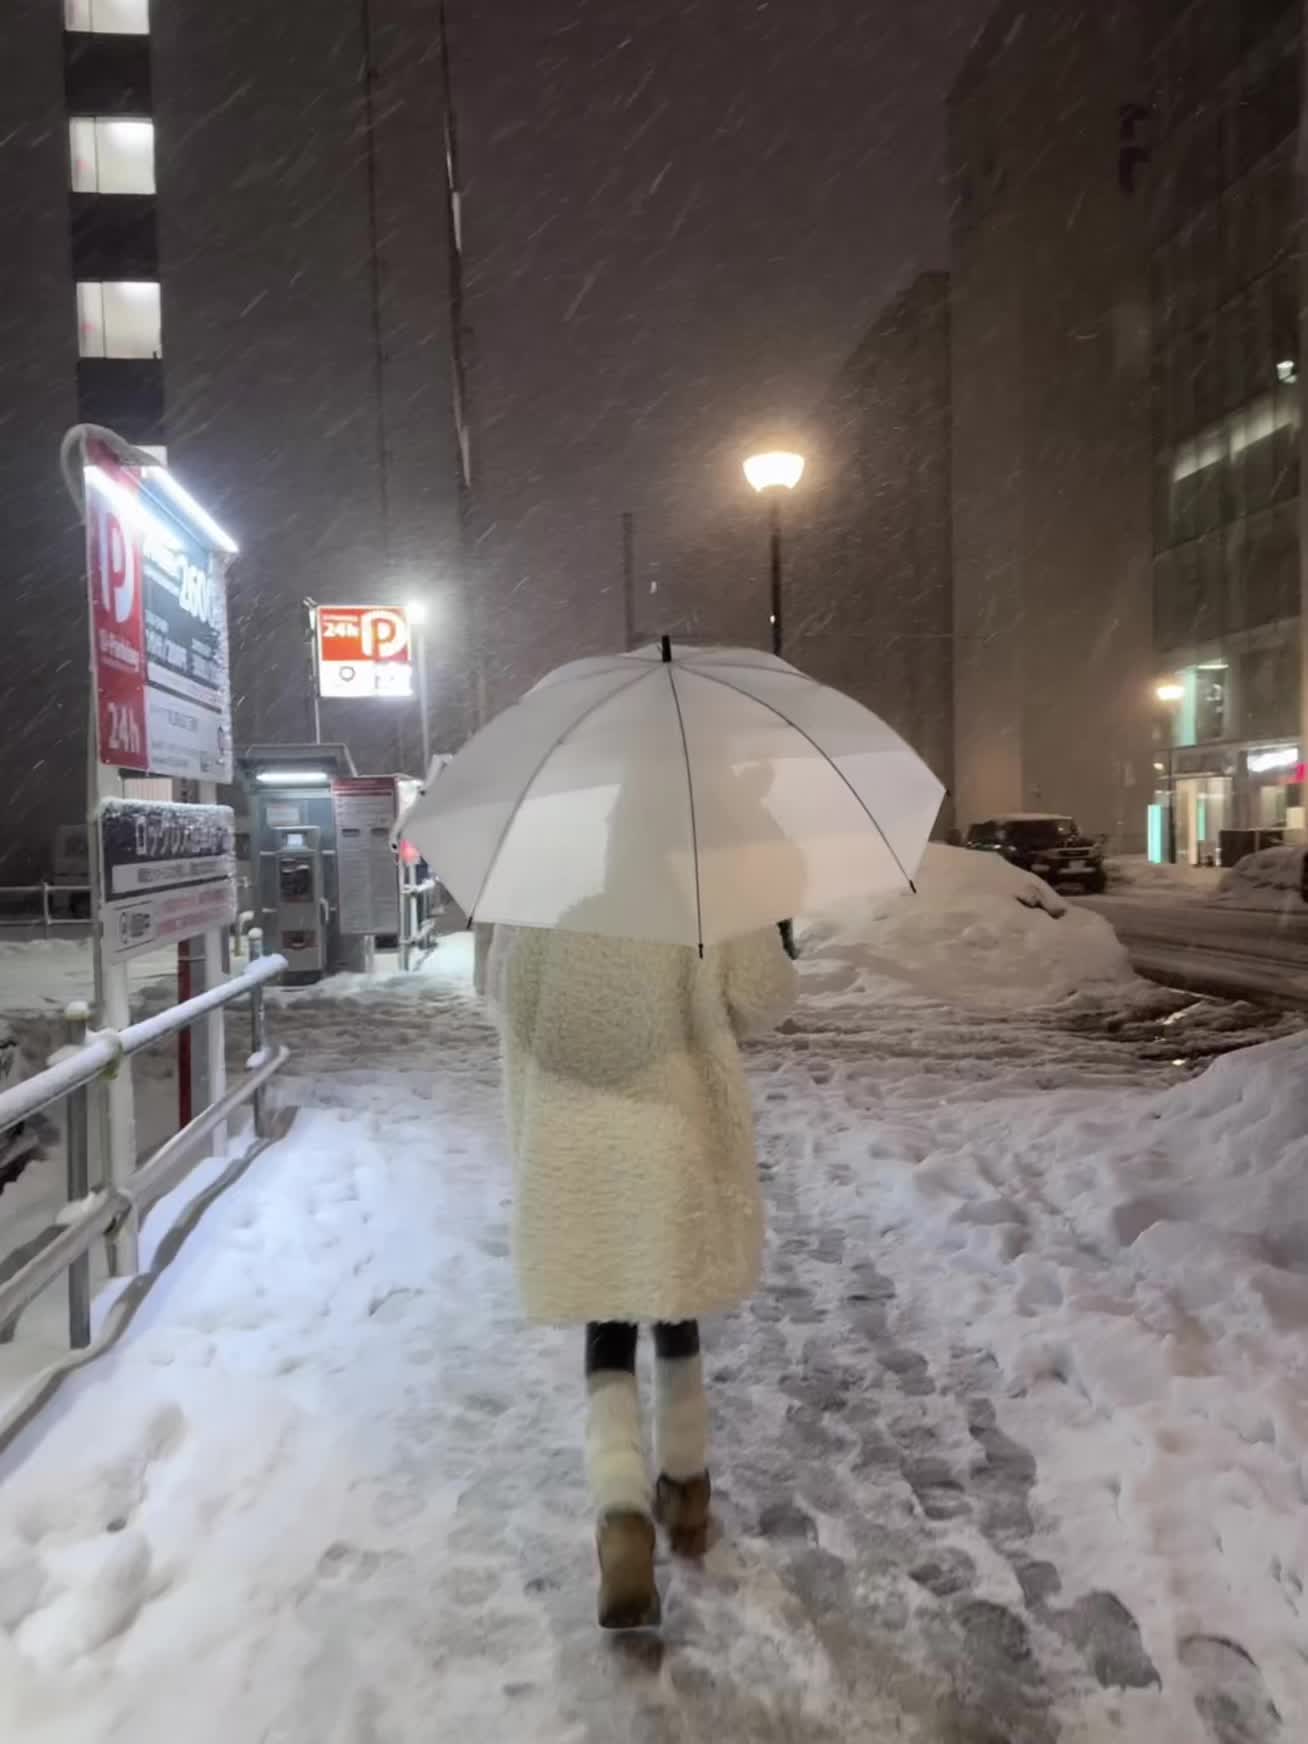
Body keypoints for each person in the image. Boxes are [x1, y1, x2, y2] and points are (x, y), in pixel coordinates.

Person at [474, 913, 796, 1629]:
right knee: (673, 1297)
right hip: (670, 1127)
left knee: (608, 1317)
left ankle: (620, 1514)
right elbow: (764, 997)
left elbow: (497, 990)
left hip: (574, 1136)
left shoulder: (541, 890)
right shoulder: (699, 885)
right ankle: (685, 1483)